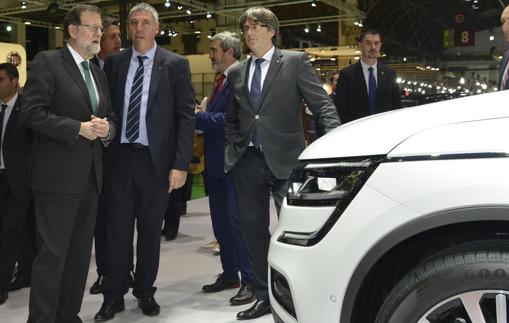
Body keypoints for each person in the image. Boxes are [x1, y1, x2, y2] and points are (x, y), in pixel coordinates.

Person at [225, 6, 340, 320]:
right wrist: (232, 147)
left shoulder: (294, 62)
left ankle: (300, 296)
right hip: (247, 162)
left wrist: (334, 146)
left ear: (271, 30)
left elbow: (322, 105)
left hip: (287, 162)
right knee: (253, 233)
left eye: (256, 27)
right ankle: (264, 296)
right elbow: (232, 119)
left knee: (295, 233)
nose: (249, 33)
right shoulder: (236, 72)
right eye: (246, 28)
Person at [95, 2, 195, 321]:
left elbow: (185, 118)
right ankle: (113, 295)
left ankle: (145, 292)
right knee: (116, 233)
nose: (139, 28)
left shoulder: (175, 64)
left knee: (150, 232)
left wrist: (180, 164)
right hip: (120, 161)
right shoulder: (114, 64)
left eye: (145, 22)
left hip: (157, 164)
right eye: (134, 22)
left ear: (157, 27)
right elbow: (105, 109)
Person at [20, 4, 116, 322]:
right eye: (93, 28)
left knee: (77, 258)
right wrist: (77, 128)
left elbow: (109, 115)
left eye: (100, 28)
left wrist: (106, 129)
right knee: (53, 257)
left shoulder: (97, 71)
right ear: (72, 31)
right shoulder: (49, 62)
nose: (98, 34)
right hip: (56, 179)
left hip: (91, 178)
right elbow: (31, 112)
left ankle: (67, 315)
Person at [196, 31, 254, 306]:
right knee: (220, 222)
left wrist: (201, 117)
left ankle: (250, 280)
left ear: (230, 52)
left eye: (215, 49)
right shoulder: (223, 80)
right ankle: (230, 274)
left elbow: (234, 119)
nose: (211, 54)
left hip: (233, 165)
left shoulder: (239, 79)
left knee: (235, 223)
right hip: (217, 166)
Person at [89, 15, 135, 296]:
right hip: (93, 154)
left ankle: (124, 269)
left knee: (122, 218)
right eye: (112, 37)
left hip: (122, 154)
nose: (119, 41)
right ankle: (104, 272)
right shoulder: (89, 69)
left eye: (120, 36)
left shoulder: (129, 66)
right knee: (100, 221)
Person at [0, 62, 32, 305]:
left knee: (9, 231)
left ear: (14, 80)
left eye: (0, 79)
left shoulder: (27, 108)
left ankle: (2, 285)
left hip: (20, 182)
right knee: (18, 232)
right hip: (1, 180)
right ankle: (25, 273)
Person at [335, 29, 402, 124]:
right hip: (356, 131)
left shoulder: (390, 74)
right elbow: (340, 109)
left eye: (376, 43)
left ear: (380, 45)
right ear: (360, 45)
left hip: (385, 130)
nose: (373, 47)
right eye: (368, 43)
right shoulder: (346, 75)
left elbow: (397, 107)